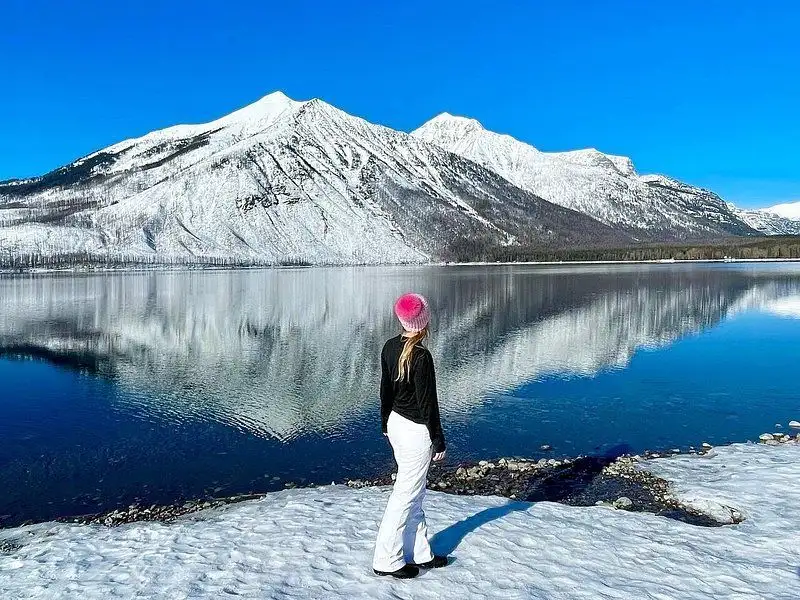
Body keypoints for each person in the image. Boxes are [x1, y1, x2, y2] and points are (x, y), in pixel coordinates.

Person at [372, 292, 449, 579]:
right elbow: (429, 404)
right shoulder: (421, 356)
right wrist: (438, 439)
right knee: (405, 495)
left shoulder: (390, 347)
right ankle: (386, 559)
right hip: (416, 431)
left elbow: (385, 392)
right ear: (424, 320)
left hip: (396, 425)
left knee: (413, 491)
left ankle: (420, 553)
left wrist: (384, 423)